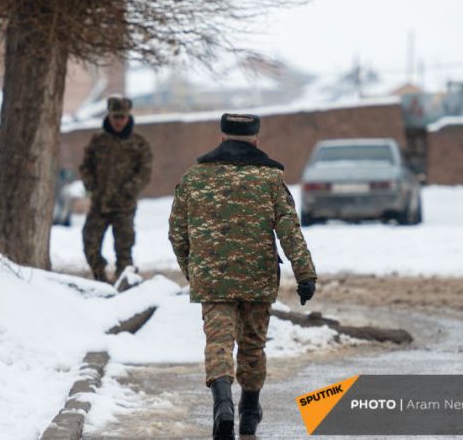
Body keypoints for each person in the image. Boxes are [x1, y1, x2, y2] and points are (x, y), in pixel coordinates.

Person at [168, 113, 317, 439]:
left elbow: (177, 233)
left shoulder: (194, 177)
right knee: (252, 346)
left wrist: (195, 271)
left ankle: (222, 405)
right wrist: (305, 274)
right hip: (257, 278)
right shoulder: (270, 179)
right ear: (256, 140)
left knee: (218, 342)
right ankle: (249, 411)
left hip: (212, 280)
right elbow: (289, 230)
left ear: (222, 138)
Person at [79, 96, 153, 283]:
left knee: (124, 249)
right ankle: (101, 280)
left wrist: (129, 190)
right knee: (90, 243)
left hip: (124, 206)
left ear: (128, 117)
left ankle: (124, 282)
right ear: (109, 116)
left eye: (122, 117)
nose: (119, 121)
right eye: (115, 117)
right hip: (100, 204)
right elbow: (85, 166)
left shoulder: (139, 143)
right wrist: (91, 186)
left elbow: (145, 172)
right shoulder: (98, 141)